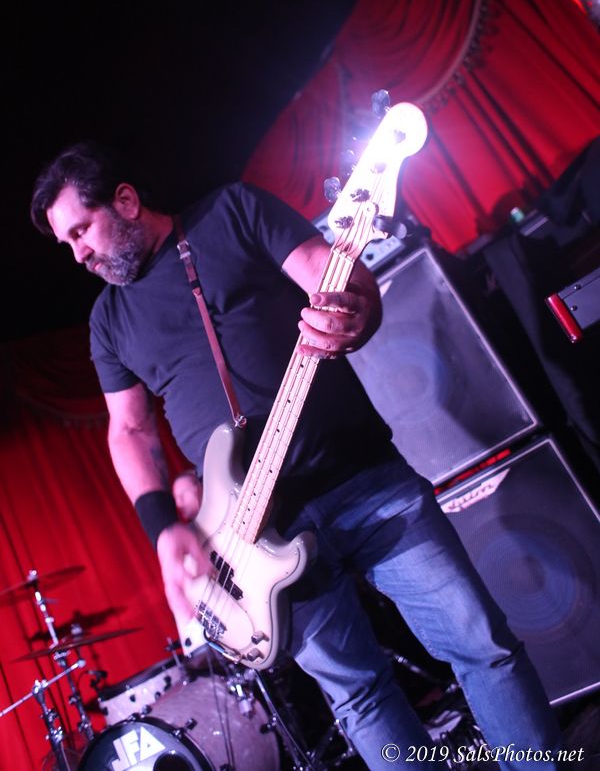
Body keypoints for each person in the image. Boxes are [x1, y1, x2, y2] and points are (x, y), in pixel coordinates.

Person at [31, 142, 565, 769]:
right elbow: (128, 430)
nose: (79, 254)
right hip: (254, 537)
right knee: (361, 698)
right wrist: (161, 527)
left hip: (363, 480)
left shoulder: (231, 212)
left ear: (124, 201)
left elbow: (331, 275)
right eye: (67, 245)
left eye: (81, 231)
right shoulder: (108, 321)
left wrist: (356, 311)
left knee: (482, 646)